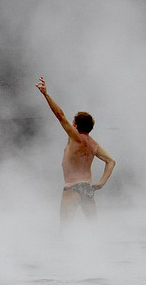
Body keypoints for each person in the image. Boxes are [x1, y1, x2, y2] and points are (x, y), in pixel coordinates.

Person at [35, 76, 116, 225]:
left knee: (65, 228)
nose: (71, 125)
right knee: (93, 228)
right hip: (87, 187)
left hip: (72, 187)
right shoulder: (94, 145)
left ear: (76, 126)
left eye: (73, 123)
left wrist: (46, 94)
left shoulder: (76, 138)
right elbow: (111, 161)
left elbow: (60, 115)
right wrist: (101, 183)